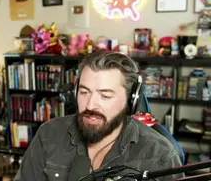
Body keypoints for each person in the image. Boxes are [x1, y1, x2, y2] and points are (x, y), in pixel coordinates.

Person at [16, 51, 183, 180]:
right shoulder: (49, 134)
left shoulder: (160, 155)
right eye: (84, 92)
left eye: (105, 96)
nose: (90, 105)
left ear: (131, 101)